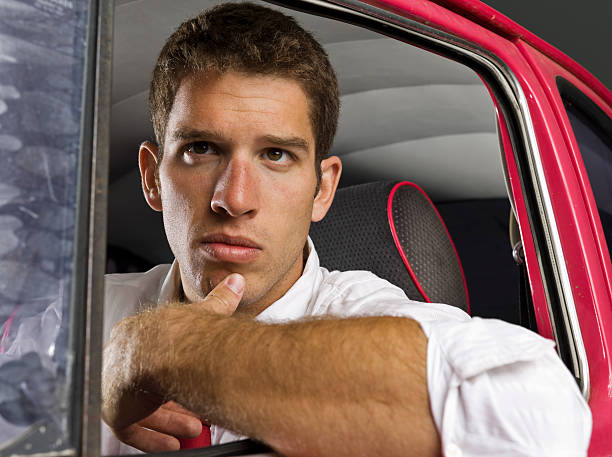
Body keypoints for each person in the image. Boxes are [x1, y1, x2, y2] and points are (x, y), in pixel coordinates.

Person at [101, 3, 591, 456]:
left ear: (322, 190)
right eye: (202, 148)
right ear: (152, 178)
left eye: (276, 155)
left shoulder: (365, 316)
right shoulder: (83, 316)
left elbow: (539, 416)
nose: (234, 199)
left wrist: (168, 351)